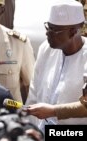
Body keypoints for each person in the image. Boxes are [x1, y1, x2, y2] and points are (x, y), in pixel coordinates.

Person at [25, 0, 87, 132]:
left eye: (54, 30)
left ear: (72, 32)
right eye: (48, 27)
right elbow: (34, 93)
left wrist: (53, 111)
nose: (47, 33)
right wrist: (28, 127)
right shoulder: (46, 49)